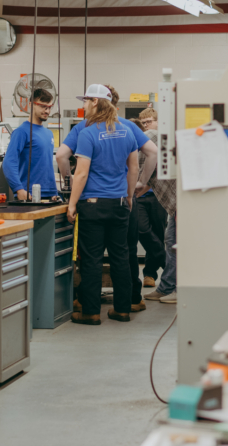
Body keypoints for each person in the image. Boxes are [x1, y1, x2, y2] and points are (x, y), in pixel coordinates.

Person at [68, 84, 140, 325]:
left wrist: (72, 204)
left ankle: (90, 312)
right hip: (119, 204)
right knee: (121, 257)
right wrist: (128, 196)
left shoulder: (87, 133)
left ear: (95, 102)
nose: (84, 105)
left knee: (92, 259)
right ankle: (122, 310)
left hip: (93, 205)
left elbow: (81, 174)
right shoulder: (127, 132)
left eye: (86, 101)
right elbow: (133, 168)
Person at [56, 83, 156, 195]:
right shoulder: (128, 127)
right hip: (121, 192)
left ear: (96, 102)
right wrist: (141, 182)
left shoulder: (83, 127)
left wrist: (71, 186)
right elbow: (153, 152)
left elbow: (61, 155)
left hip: (91, 194)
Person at [143, 112, 177, 304]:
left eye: (149, 121)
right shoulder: (150, 142)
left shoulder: (152, 139)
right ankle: (167, 287)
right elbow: (147, 178)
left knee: (178, 243)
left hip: (182, 201)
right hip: (175, 203)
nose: (146, 125)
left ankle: (178, 289)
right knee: (171, 240)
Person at [132, 107, 167, 287]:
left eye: (149, 122)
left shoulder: (163, 142)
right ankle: (167, 263)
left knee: (158, 234)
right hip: (139, 194)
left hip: (158, 196)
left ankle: (150, 274)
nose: (146, 126)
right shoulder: (141, 142)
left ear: (159, 122)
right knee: (143, 230)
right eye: (143, 123)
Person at [3, 88, 58, 200]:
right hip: (29, 195)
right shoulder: (21, 132)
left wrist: (54, 192)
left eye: (49, 107)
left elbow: (46, 165)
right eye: (43, 106)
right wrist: (18, 189)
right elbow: (9, 162)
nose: (47, 111)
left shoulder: (49, 133)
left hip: (49, 195)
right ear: (31, 105)